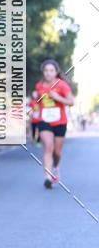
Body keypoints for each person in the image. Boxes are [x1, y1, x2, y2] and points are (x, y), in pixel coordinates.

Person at [33, 59, 75, 189]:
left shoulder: (62, 85)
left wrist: (57, 98)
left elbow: (71, 101)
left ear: (56, 72)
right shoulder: (39, 86)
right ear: (43, 72)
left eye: (51, 70)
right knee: (48, 147)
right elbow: (37, 103)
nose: (48, 73)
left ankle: (56, 166)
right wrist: (35, 99)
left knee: (57, 152)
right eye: (46, 70)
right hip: (44, 120)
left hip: (60, 122)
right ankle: (48, 176)